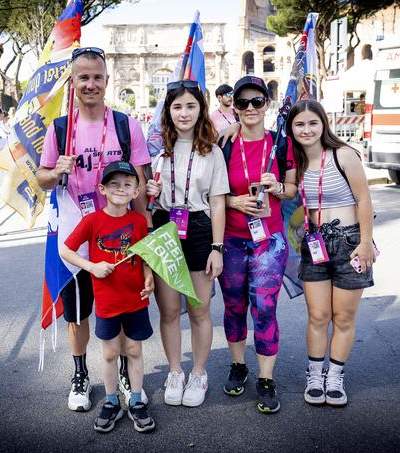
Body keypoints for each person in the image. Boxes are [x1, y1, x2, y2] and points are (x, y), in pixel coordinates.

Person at [36, 46, 151, 413]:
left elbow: (141, 186)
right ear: (73, 82)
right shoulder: (59, 128)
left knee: (117, 309)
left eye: (97, 77)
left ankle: (120, 373)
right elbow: (42, 178)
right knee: (78, 312)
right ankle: (81, 373)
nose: (90, 84)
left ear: (106, 80)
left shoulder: (125, 125)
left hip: (119, 239)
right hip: (79, 236)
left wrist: (145, 239)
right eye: (82, 77)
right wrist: (57, 172)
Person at [286, 99, 376, 407]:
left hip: (350, 243)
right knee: (318, 315)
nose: (307, 129)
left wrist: (366, 242)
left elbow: (364, 201)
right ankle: (314, 374)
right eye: (299, 124)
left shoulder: (344, 155)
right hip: (314, 245)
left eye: (313, 123)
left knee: (344, 316)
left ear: (324, 124)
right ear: (291, 129)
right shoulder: (295, 162)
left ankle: (335, 377)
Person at [145, 80, 229, 407]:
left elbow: (219, 203)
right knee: (168, 311)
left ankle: (198, 373)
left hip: (199, 229)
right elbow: (143, 196)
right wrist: (149, 195)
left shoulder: (212, 150)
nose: (184, 113)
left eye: (191, 106)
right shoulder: (157, 152)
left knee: (199, 310)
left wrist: (217, 248)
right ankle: (175, 371)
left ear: (200, 109)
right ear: (168, 110)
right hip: (165, 225)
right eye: (177, 106)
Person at [218, 76, 298, 413]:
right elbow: (214, 193)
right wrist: (236, 202)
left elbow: (293, 190)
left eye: (257, 101)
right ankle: (239, 366)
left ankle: (266, 378)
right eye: (243, 102)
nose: (250, 108)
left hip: (270, 242)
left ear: (267, 104)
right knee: (234, 307)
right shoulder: (224, 144)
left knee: (264, 308)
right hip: (233, 240)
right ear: (233, 106)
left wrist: (277, 186)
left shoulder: (281, 143)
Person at [61, 161, 155, 433]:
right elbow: (66, 250)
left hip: (135, 299)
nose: (120, 189)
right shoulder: (92, 221)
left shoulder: (138, 221)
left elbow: (143, 257)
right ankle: (112, 401)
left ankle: (136, 400)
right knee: (111, 353)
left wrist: (148, 277)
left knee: (134, 350)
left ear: (136, 191)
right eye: (113, 184)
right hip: (107, 302)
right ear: (102, 189)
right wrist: (91, 267)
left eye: (127, 184)